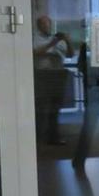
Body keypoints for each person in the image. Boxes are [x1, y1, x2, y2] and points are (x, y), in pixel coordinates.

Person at [33, 14, 74, 145]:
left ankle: (53, 137)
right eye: (44, 24)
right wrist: (53, 43)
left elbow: (71, 54)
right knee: (41, 108)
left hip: (57, 75)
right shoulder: (35, 38)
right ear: (39, 26)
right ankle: (38, 138)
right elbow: (36, 52)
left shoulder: (56, 39)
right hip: (42, 76)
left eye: (49, 24)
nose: (47, 27)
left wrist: (67, 40)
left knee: (55, 108)